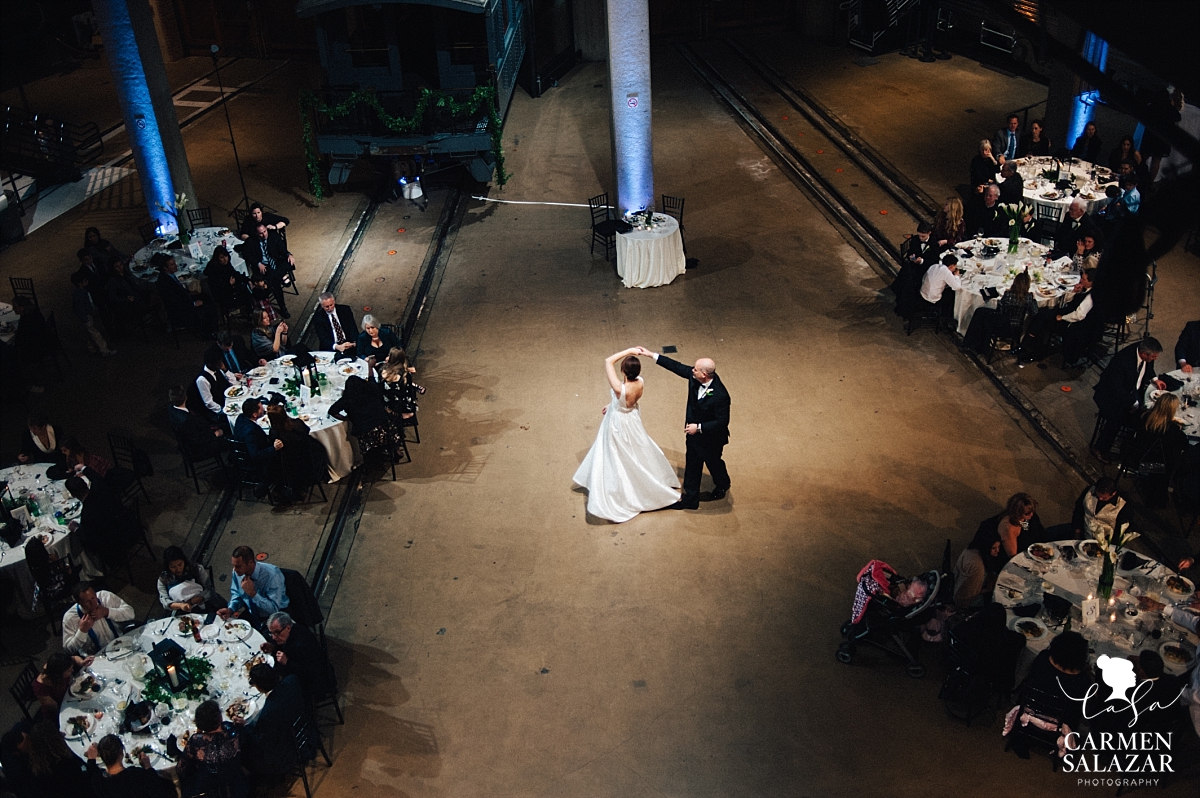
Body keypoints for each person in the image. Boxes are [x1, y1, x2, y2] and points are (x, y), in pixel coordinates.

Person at [571, 348, 679, 522]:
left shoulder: (619, 388)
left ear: (623, 371)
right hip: (632, 418)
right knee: (637, 449)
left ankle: (624, 490)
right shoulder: (640, 382)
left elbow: (608, 361)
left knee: (615, 454)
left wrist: (630, 350)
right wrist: (612, 404)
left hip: (618, 423)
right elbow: (627, 402)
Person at [637, 347, 731, 510]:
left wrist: (699, 427)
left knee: (714, 462)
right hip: (694, 436)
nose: (691, 370)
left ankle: (722, 483)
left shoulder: (721, 395)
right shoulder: (695, 377)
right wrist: (651, 355)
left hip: (711, 439)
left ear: (704, 375)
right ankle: (691, 500)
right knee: (693, 466)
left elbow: (722, 421)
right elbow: (677, 366)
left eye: (695, 369)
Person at [1092, 338, 1166, 461]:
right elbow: (1116, 389)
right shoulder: (1122, 361)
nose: (1155, 359)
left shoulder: (1144, 350)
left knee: (1146, 412)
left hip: (1131, 389)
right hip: (1110, 395)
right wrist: (1134, 402)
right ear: (1144, 354)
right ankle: (1100, 448)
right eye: (1153, 357)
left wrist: (1154, 379)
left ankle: (1130, 444)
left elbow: (1148, 367)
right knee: (1117, 419)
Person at [238, 665, 310, 779]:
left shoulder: (268, 712)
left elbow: (261, 740)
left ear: (259, 687)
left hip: (286, 748)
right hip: (304, 725)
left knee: (241, 749)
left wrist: (245, 725)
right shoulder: (292, 680)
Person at [1017, 267, 1095, 365]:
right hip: (1065, 312)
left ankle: (1034, 352)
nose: (1081, 280)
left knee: (1042, 322)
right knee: (1040, 313)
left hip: (1072, 324)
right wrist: (1074, 292)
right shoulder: (1083, 289)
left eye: (1084, 279)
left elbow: (1079, 315)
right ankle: (1027, 343)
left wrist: (1062, 317)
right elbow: (1067, 302)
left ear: (1091, 282)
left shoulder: (1090, 297)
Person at [1019, 631, 1093, 728]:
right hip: (1057, 728)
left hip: (1029, 714)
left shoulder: (1043, 658)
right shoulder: (1083, 680)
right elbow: (1075, 712)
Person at [1124, 393, 1188, 503]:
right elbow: (1184, 444)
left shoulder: (1143, 416)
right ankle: (1159, 495)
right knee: (1174, 459)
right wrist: (1178, 428)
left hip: (1131, 456)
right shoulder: (1171, 429)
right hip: (1146, 465)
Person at [177, 700, 247, 798]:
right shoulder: (233, 731)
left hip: (209, 786)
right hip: (234, 781)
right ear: (220, 718)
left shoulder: (196, 740)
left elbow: (181, 769)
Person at [953, 602, 1026, 696]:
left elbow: (956, 631)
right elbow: (1022, 640)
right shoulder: (1005, 639)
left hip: (965, 661)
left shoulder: (970, 626)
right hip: (988, 672)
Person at [65, 474, 134, 572]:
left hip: (111, 542)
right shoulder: (100, 492)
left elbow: (91, 542)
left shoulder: (87, 514)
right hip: (124, 526)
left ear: (73, 494)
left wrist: (76, 529)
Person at [961, 270, 1038, 354]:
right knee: (981, 312)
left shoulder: (1008, 294)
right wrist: (1033, 299)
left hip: (1000, 326)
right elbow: (1035, 312)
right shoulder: (1029, 297)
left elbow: (999, 309)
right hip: (1016, 328)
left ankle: (972, 343)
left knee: (980, 313)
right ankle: (976, 344)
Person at [261, 611, 330, 696]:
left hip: (316, 682)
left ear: (288, 627)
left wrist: (287, 662)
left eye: (277, 633)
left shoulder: (301, 645)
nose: (274, 637)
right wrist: (272, 647)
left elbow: (308, 674)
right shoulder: (292, 631)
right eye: (271, 633)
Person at [329, 374, 401, 455]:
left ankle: (367, 458)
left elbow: (332, 411)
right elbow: (372, 380)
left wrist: (346, 419)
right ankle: (395, 449)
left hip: (367, 441)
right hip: (387, 433)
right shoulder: (373, 390)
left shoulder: (347, 399)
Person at [84, 734, 175, 798]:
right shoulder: (134, 776)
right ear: (121, 752)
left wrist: (91, 759)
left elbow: (92, 772)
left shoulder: (99, 782)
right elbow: (158, 788)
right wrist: (147, 766)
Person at [219, 544, 289, 624]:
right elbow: (237, 594)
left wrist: (253, 594)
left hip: (274, 616)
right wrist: (231, 609)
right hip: (252, 613)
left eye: (238, 566)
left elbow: (273, 609)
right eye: (234, 566)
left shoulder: (272, 576)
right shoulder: (237, 573)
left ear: (251, 562)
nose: (235, 569)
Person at [266, 404, 326, 495]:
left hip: (292, 467)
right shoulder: (297, 423)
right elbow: (307, 430)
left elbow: (273, 448)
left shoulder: (275, 433)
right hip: (307, 458)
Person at [24, 719, 93, 798]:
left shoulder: (36, 765)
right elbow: (85, 783)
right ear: (54, 740)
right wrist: (91, 760)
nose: (62, 734)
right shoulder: (64, 764)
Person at [62, 581, 135, 656]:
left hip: (122, 644)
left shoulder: (105, 596)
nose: (93, 603)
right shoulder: (70, 617)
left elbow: (131, 613)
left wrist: (107, 612)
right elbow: (68, 650)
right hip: (95, 657)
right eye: (87, 601)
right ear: (78, 602)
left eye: (93, 597)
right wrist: (82, 631)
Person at [239, 223, 293, 318]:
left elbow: (282, 249)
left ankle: (280, 277)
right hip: (264, 267)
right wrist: (258, 263)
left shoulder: (273, 237)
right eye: (261, 233)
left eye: (265, 231)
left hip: (275, 263)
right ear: (256, 233)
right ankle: (283, 306)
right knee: (276, 283)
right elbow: (247, 254)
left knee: (277, 275)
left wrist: (289, 254)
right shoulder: (252, 241)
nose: (264, 235)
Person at [155, 254, 217, 335]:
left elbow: (178, 291)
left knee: (207, 296)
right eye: (172, 264)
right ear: (165, 268)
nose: (176, 265)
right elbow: (175, 301)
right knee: (208, 306)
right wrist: (194, 304)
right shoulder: (165, 282)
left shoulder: (168, 275)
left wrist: (189, 292)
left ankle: (212, 327)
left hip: (184, 299)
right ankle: (208, 333)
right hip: (181, 310)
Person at [233, 398, 284, 490]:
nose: (264, 409)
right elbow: (255, 455)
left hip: (244, 450)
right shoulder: (250, 431)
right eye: (261, 408)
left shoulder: (241, 417)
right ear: (255, 414)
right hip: (251, 461)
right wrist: (273, 448)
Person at [158, 545, 224, 614]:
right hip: (182, 610)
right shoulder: (163, 579)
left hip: (206, 603)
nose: (178, 569)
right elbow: (165, 602)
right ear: (168, 567)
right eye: (173, 567)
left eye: (180, 564)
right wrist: (181, 605)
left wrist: (193, 601)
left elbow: (209, 589)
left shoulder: (196, 569)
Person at [953, 524, 1005, 608]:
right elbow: (971, 594)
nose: (997, 550)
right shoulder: (977, 566)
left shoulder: (971, 549)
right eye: (993, 548)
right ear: (986, 547)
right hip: (966, 601)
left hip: (957, 582)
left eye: (999, 547)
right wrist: (989, 589)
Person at [168, 385, 228, 458]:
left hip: (198, 436)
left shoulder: (171, 409)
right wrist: (216, 434)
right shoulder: (186, 420)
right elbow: (198, 440)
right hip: (200, 449)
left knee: (225, 425)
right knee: (231, 436)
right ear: (186, 397)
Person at [32, 653, 92, 721]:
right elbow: (54, 706)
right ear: (58, 674)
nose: (72, 671)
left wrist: (82, 662)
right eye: (69, 671)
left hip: (69, 695)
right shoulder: (41, 686)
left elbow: (74, 658)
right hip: (59, 709)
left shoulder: (58, 664)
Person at [889, 221, 935, 308]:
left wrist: (922, 261)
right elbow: (911, 251)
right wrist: (912, 256)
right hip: (914, 265)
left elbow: (934, 259)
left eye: (923, 236)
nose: (921, 238)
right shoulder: (915, 239)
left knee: (911, 276)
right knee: (908, 273)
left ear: (929, 233)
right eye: (919, 235)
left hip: (926, 267)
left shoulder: (934, 243)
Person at [71, 270, 116, 357]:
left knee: (89, 333)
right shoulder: (80, 294)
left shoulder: (79, 292)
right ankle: (104, 350)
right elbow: (80, 308)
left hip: (85, 316)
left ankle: (92, 348)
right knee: (95, 334)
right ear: (80, 283)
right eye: (85, 281)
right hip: (86, 317)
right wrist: (85, 317)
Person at [378, 346, 422, 420]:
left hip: (389, 404)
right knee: (410, 390)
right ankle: (404, 412)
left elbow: (380, 389)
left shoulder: (382, 371)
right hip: (404, 405)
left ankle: (391, 411)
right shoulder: (405, 374)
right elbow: (408, 391)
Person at [203, 245, 251, 314]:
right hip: (224, 296)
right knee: (246, 293)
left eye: (226, 256)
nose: (225, 259)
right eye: (222, 257)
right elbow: (217, 290)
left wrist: (247, 280)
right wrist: (229, 284)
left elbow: (234, 273)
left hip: (231, 289)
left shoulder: (226, 265)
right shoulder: (213, 271)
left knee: (247, 287)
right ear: (217, 258)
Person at [195, 351, 235, 426]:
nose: (221, 364)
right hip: (219, 410)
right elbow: (209, 402)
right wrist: (223, 410)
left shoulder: (219, 369)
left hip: (229, 401)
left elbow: (233, 382)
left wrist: (225, 370)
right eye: (218, 362)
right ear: (210, 364)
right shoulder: (202, 380)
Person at [312, 292, 358, 357]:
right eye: (327, 307)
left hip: (348, 343)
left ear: (334, 301)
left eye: (331, 305)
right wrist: (337, 346)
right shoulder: (318, 318)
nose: (330, 308)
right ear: (322, 305)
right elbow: (323, 338)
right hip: (332, 347)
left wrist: (354, 343)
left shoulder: (345, 310)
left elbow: (352, 328)